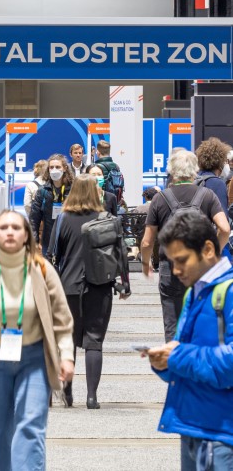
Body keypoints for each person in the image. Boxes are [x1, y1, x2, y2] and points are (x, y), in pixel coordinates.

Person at [0, 209, 74, 471]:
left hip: (34, 359)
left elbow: (62, 318)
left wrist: (66, 355)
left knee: (30, 427)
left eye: (16, 227)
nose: (10, 232)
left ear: (26, 236)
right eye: (3, 227)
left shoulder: (42, 269)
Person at [147, 211, 233, 471]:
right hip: (195, 426)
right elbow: (186, 357)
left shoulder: (227, 292)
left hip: (220, 433)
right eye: (171, 261)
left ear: (208, 249)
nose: (175, 270)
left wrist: (177, 357)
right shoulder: (195, 292)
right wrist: (165, 364)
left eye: (181, 260)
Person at [47, 174, 129, 410]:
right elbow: (121, 254)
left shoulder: (63, 219)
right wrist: (125, 285)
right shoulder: (108, 219)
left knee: (68, 340)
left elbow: (52, 254)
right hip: (100, 286)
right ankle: (92, 397)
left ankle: (68, 394)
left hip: (68, 286)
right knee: (94, 341)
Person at [141, 149, 230, 341]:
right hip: (201, 269)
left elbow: (147, 241)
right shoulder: (207, 195)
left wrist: (145, 263)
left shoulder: (160, 198)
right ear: (194, 170)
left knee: (172, 326)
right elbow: (224, 228)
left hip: (170, 268)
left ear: (171, 171)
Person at [29, 154, 73, 256]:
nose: (54, 170)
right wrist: (34, 241)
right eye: (51, 167)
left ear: (65, 168)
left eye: (57, 167)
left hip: (69, 239)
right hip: (48, 240)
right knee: (49, 270)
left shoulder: (73, 190)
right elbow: (34, 219)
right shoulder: (42, 191)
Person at [196, 136, 231, 214]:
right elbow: (222, 216)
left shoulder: (195, 179)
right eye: (225, 161)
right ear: (220, 162)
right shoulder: (218, 184)